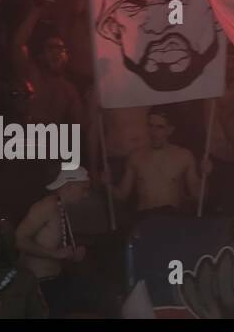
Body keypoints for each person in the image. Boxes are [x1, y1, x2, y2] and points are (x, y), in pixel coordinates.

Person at [14, 167, 94, 317]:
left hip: (54, 281)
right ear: (70, 186)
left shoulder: (61, 207)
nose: (86, 195)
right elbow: (18, 239)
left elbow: (53, 246)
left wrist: (71, 255)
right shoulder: (46, 206)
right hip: (39, 285)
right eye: (83, 189)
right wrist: (54, 254)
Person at [107, 107, 209, 215]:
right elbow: (122, 195)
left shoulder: (184, 156)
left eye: (160, 127)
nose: (153, 132)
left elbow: (198, 196)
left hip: (172, 217)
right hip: (144, 217)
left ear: (170, 130)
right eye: (150, 126)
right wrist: (108, 184)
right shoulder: (135, 156)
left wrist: (205, 176)